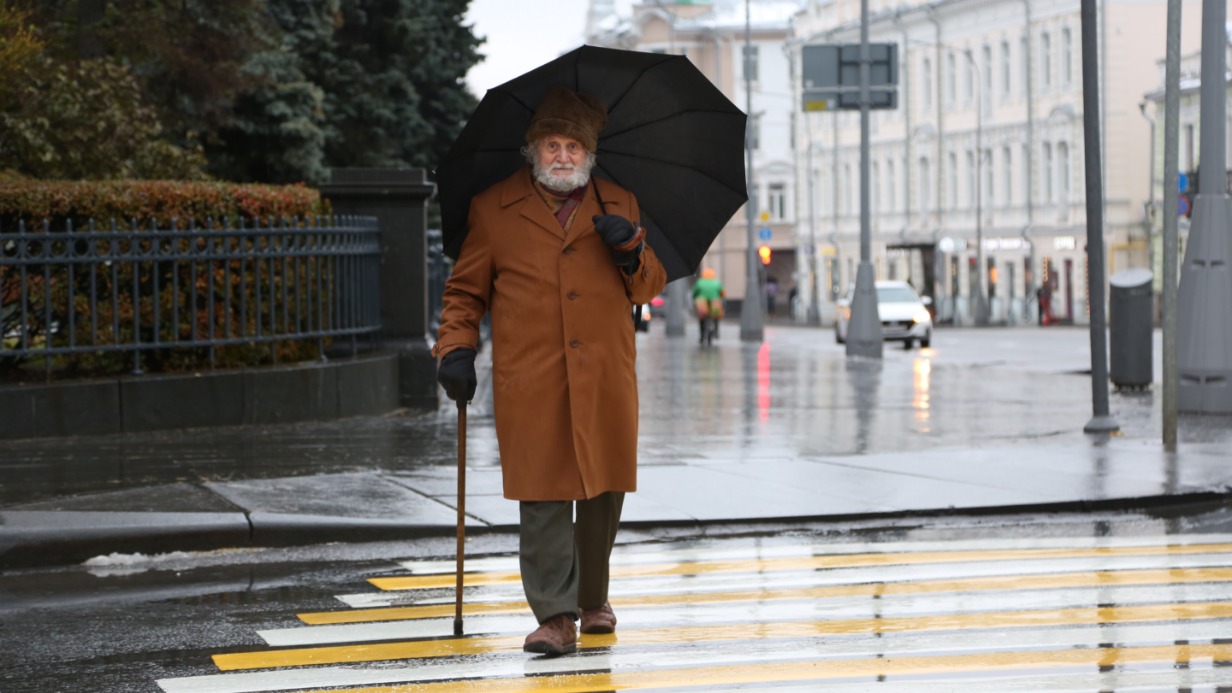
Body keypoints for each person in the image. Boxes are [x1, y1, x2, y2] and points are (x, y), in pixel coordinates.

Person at [432, 87, 667, 657]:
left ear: (589, 154)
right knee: (541, 495)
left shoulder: (620, 203)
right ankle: (556, 617)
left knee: (602, 493)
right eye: (552, 145)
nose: (562, 156)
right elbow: (464, 291)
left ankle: (593, 601)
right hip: (530, 376)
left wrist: (633, 250)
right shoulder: (493, 208)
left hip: (605, 374)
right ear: (532, 150)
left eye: (573, 146)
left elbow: (650, 286)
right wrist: (455, 349)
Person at [690, 267, 724, 343]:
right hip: (714, 303)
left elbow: (694, 293)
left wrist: (695, 298)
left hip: (702, 303)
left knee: (701, 318)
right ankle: (716, 331)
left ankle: (702, 336)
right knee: (716, 316)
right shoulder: (716, 283)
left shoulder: (699, 282)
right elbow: (722, 293)